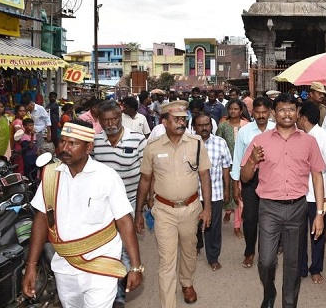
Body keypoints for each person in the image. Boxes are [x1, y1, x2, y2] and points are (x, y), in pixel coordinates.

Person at [22, 120, 143, 307]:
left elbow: (124, 221)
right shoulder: (51, 175)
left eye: (72, 143)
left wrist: (135, 266)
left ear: (89, 147)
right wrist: (31, 265)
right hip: (64, 266)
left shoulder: (106, 176)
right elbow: (41, 218)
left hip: (102, 265)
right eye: (62, 142)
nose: (64, 148)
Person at [240, 93, 326, 308]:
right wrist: (252, 160)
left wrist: (319, 214)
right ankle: (269, 294)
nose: (286, 113)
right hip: (269, 208)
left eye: (291, 109)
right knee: (266, 261)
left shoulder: (309, 141)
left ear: (298, 113)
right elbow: (245, 177)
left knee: (293, 265)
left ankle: (289, 304)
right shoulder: (260, 141)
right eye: (281, 109)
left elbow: (317, 175)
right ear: (273, 113)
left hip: (298, 208)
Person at [134, 101, 212, 307]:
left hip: (191, 209)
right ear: (165, 121)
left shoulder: (196, 144)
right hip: (164, 211)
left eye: (183, 119)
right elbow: (145, 180)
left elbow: (205, 176)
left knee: (189, 250)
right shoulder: (152, 147)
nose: (181, 123)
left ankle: (187, 283)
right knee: (167, 261)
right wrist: (138, 212)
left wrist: (208, 208)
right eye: (176, 119)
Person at [92, 100, 147, 308]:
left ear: (120, 117)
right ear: (100, 121)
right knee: (107, 249)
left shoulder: (138, 139)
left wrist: (141, 208)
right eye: (105, 120)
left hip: (129, 202)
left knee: (123, 248)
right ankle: (110, 289)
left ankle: (119, 296)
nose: (110, 123)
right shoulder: (95, 142)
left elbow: (146, 175)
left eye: (114, 118)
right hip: (103, 205)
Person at [296, 101, 326, 285]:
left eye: (298, 115)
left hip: (318, 196)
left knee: (317, 234)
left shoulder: (324, 137)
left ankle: (316, 268)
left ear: (303, 118)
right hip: (298, 195)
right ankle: (302, 268)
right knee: (298, 234)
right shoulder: (297, 136)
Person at [231, 97, 275, 269]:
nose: (261, 115)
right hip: (250, 180)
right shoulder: (245, 131)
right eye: (258, 112)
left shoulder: (276, 129)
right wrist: (236, 185)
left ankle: (267, 253)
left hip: (272, 179)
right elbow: (238, 159)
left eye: (265, 112)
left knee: (270, 218)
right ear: (252, 112)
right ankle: (249, 252)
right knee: (249, 219)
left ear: (270, 112)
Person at [193, 113, 232, 271]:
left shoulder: (220, 142)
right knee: (194, 225)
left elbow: (226, 166)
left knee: (213, 227)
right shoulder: (189, 144)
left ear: (211, 125)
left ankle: (213, 257)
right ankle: (197, 245)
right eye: (200, 125)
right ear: (194, 127)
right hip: (193, 194)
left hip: (215, 192)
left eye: (207, 124)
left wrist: (227, 188)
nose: (204, 128)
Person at [216, 99, 250, 238]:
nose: (233, 111)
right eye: (231, 109)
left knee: (239, 196)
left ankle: (237, 226)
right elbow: (218, 143)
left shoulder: (247, 126)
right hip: (226, 166)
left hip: (243, 166)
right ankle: (228, 212)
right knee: (227, 192)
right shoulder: (223, 126)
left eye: (236, 109)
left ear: (241, 111)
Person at [10, 104, 27, 174]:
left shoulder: (22, 121)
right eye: (20, 111)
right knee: (18, 165)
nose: (23, 112)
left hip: (20, 146)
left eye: (24, 111)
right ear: (17, 112)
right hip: (18, 146)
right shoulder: (17, 122)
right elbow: (18, 136)